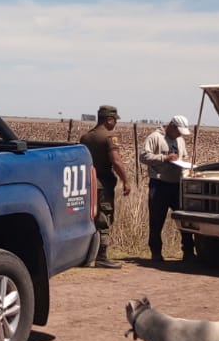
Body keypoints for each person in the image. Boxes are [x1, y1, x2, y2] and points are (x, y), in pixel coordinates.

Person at [80, 104, 132, 268]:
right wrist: (126, 180)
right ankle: (101, 257)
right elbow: (116, 161)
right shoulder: (109, 137)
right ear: (109, 120)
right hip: (103, 185)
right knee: (104, 218)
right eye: (115, 120)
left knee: (90, 219)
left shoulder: (86, 137)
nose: (115, 123)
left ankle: (86, 255)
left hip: (88, 184)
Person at [141, 115, 192, 264]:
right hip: (159, 184)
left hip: (177, 184)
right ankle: (156, 252)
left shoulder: (180, 140)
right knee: (157, 221)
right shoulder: (155, 137)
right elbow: (144, 156)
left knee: (185, 220)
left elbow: (184, 157)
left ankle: (188, 251)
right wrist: (164, 158)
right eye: (178, 131)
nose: (179, 135)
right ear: (171, 126)